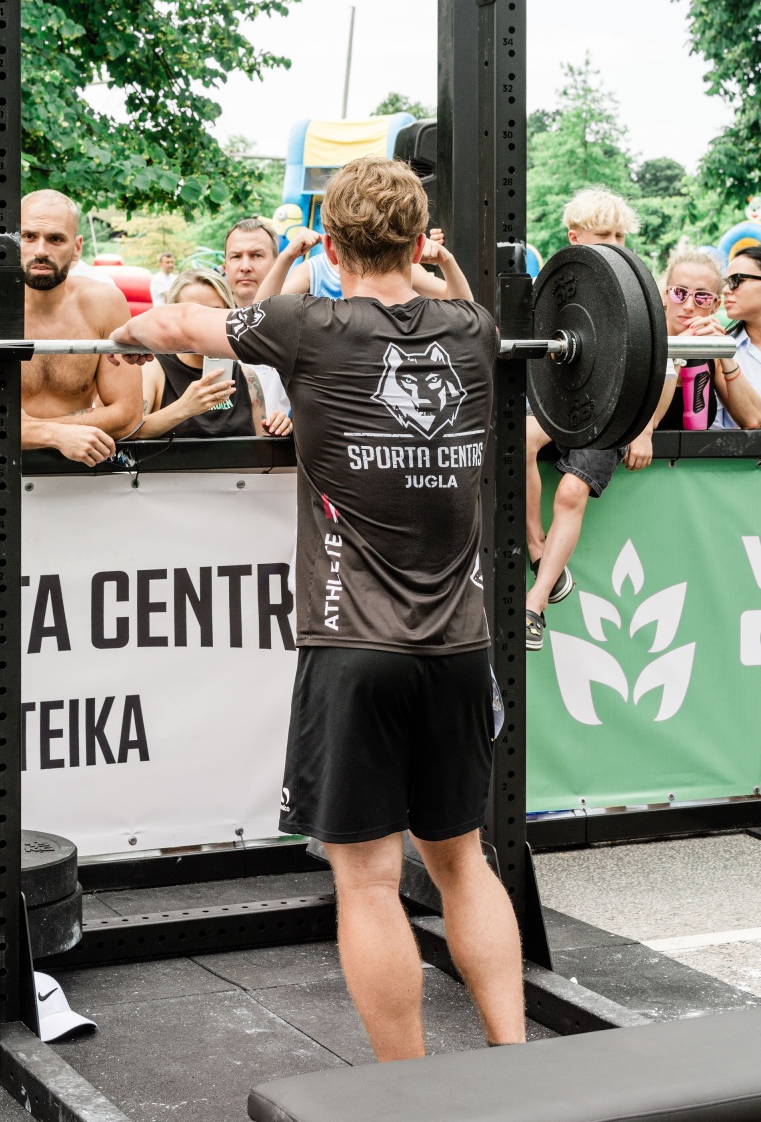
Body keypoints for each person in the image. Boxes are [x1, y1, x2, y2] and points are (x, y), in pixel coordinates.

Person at [108, 155, 525, 1057]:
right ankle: (514, 1062)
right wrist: (440, 268)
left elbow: (172, 321)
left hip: (354, 649)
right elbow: (460, 301)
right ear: (417, 244)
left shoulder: (307, 324)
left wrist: (123, 338)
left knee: (368, 880)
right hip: (460, 649)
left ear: (329, 246)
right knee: (463, 861)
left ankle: (409, 1093)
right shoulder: (473, 331)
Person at [525, 187, 676, 651]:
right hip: (567, 404)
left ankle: (534, 605)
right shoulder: (559, 285)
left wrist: (644, 430)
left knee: (572, 492)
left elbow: (665, 371)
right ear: (575, 238)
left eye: (619, 236)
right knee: (519, 440)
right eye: (604, 235)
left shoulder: (638, 289)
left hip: (614, 415)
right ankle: (537, 549)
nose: (615, 244)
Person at [20, 190, 143, 466]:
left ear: (77, 248)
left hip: (79, 469)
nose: (41, 251)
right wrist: (53, 435)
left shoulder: (105, 303)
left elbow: (127, 415)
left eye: (55, 239)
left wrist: (29, 430)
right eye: (29, 236)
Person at [136, 269, 292, 440]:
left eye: (214, 312)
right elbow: (129, 433)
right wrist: (185, 407)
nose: (203, 323)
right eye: (191, 314)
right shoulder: (154, 369)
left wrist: (276, 431)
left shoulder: (247, 377)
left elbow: (261, 445)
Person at [657, 250, 760, 430]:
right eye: (679, 293)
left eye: (702, 297)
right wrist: (678, 351)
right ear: (665, 296)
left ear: (716, 305)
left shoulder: (711, 355)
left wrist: (723, 352)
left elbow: (752, 419)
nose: (689, 306)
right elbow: (649, 421)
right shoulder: (647, 344)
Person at [255, 224, 472, 302]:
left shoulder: (399, 266)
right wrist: (286, 257)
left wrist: (446, 261)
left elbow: (460, 306)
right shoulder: (315, 271)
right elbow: (259, 316)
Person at [222, 218, 290, 417]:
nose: (245, 266)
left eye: (256, 255)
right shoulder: (207, 325)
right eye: (236, 256)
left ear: (276, 263)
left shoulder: (298, 325)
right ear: (225, 265)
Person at [715, 246, 761, 429]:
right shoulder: (720, 350)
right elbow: (751, 422)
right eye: (727, 282)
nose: (726, 290)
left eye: (737, 280)